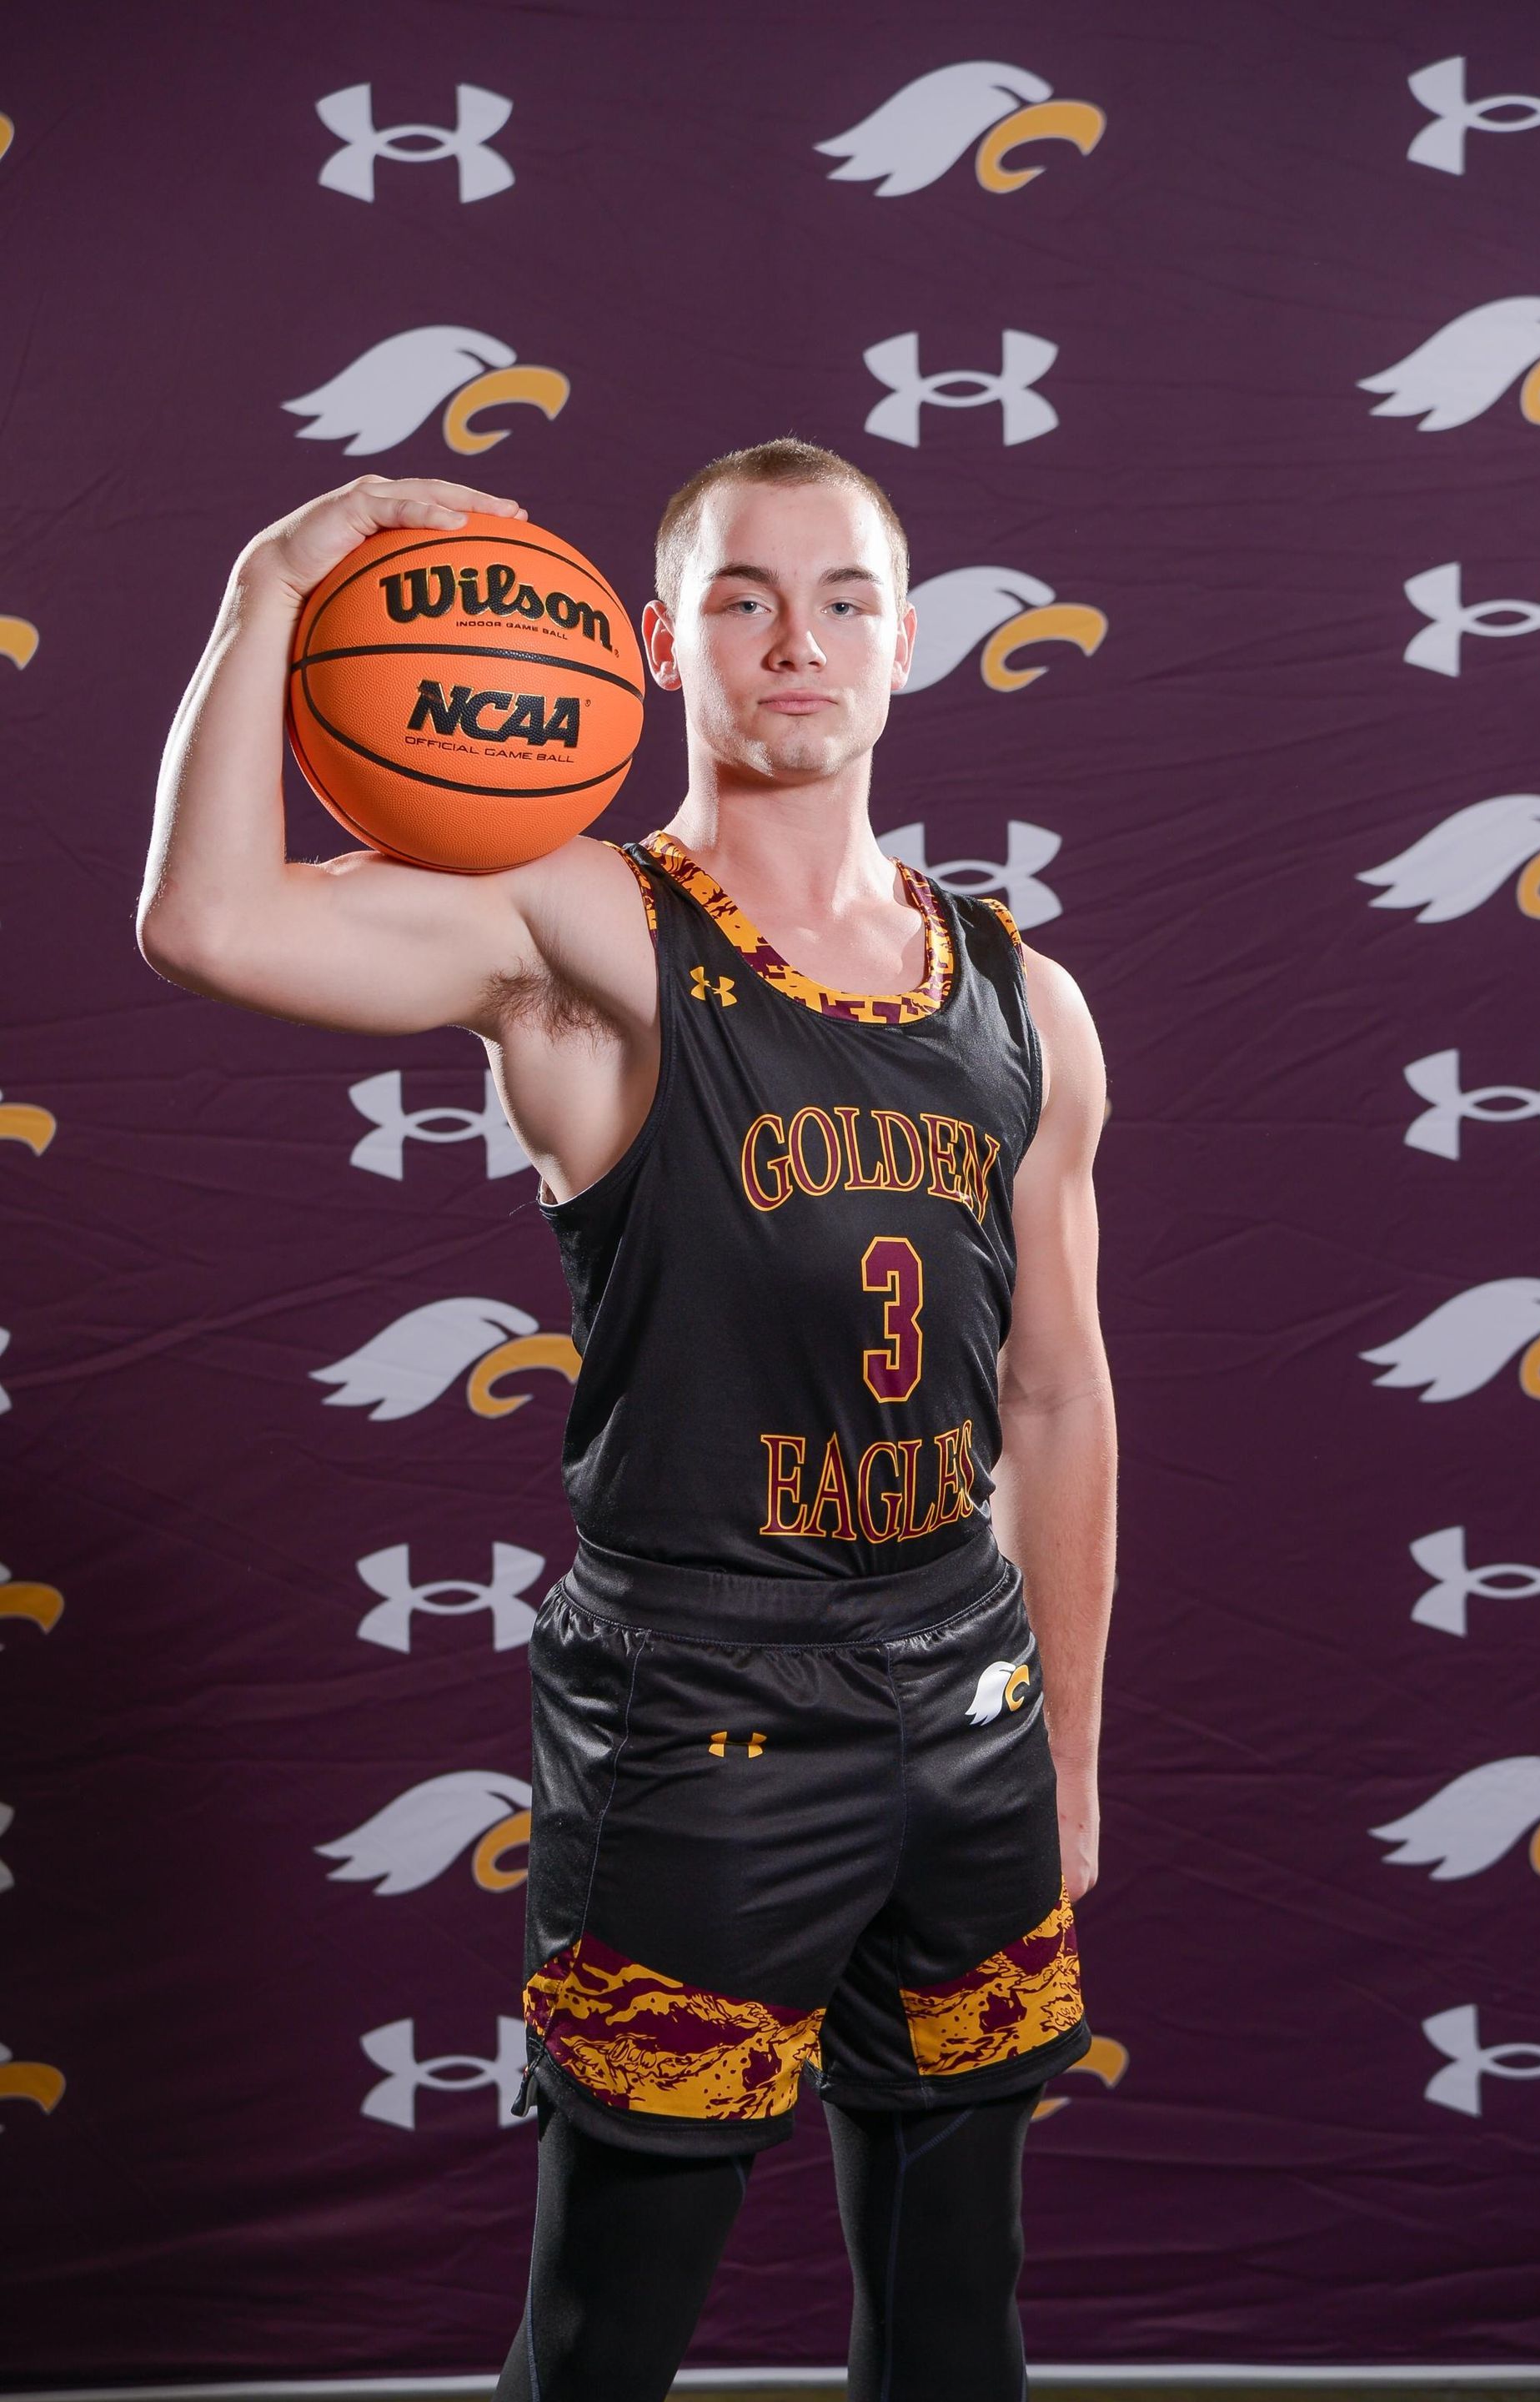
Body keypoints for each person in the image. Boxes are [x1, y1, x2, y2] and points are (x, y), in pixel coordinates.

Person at [138, 442, 1116, 2402]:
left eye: (844, 597)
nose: (798, 642)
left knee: (959, 2311)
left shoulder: (1025, 996)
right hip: (706, 1710)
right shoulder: (589, 932)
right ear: (661, 646)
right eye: (744, 599)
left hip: (970, 1699)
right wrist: (272, 585)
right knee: (605, 2332)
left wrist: (1071, 1751)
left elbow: (1056, 1392)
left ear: (908, 639)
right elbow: (212, 924)